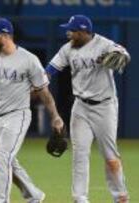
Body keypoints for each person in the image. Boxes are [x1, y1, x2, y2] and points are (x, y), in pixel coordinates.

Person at [0, 18, 64, 203]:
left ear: (5, 36)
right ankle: (34, 195)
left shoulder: (28, 59)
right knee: (8, 159)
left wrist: (56, 117)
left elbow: (43, 91)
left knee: (3, 157)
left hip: (18, 115)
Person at [45, 15, 130, 203]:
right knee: (80, 153)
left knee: (110, 156)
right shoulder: (68, 49)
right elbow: (50, 69)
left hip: (105, 106)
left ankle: (120, 196)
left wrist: (119, 55)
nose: (69, 34)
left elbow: (123, 54)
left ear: (83, 32)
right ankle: (80, 198)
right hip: (81, 106)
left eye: (72, 31)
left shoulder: (103, 44)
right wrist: (40, 79)